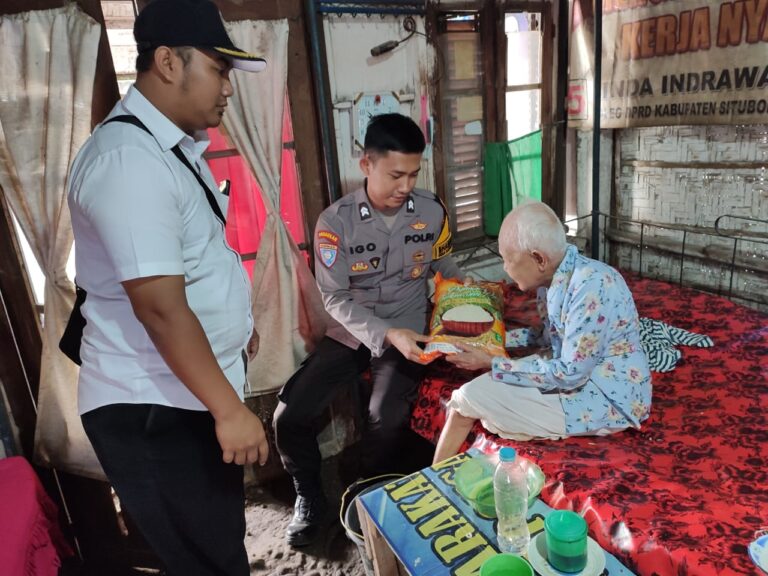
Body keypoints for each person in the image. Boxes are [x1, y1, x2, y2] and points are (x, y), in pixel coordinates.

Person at [66, 1, 269, 574]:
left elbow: (194, 262)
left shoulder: (171, 147)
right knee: (208, 560)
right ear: (168, 62)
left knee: (219, 543)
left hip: (182, 394)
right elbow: (158, 308)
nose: (228, 88)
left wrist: (234, 333)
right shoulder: (128, 160)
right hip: (155, 410)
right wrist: (229, 410)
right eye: (219, 69)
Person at [273, 113, 465, 547]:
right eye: (396, 175)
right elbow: (334, 299)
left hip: (409, 327)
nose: (406, 186)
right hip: (352, 330)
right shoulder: (335, 223)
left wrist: (467, 291)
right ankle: (309, 496)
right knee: (289, 417)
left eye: (414, 174)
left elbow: (443, 263)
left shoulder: (432, 210)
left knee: (386, 418)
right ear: (366, 165)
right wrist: (385, 333)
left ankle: (365, 494)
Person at [432, 202, 652, 463]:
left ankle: (431, 480)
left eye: (508, 259)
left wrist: (493, 362)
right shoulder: (556, 280)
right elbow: (546, 337)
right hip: (572, 370)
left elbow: (570, 374)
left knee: (469, 398)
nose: (505, 268)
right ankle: (437, 473)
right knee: (474, 393)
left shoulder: (591, 286)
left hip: (607, 397)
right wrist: (487, 338)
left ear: (538, 258)